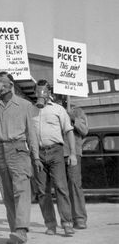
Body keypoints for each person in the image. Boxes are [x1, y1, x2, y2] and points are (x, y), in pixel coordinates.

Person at [0, 72, 41, 244]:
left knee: (22, 191)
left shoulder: (24, 105)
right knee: (7, 195)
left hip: (18, 150)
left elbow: (31, 133)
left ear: (11, 84)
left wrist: (36, 157)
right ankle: (15, 233)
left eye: (3, 82)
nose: (0, 86)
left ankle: (21, 230)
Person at [31, 80, 77, 237]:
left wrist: (72, 154)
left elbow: (69, 131)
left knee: (61, 188)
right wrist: (34, 155)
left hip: (56, 151)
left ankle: (67, 224)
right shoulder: (31, 111)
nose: (40, 94)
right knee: (42, 191)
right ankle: (50, 224)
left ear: (49, 93)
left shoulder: (59, 109)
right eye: (38, 91)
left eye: (43, 91)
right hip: (38, 154)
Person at [66, 106, 89, 229]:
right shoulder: (52, 108)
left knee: (75, 184)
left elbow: (85, 131)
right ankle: (67, 219)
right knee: (62, 188)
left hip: (73, 153)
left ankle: (79, 218)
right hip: (57, 152)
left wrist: (73, 119)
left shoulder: (78, 111)